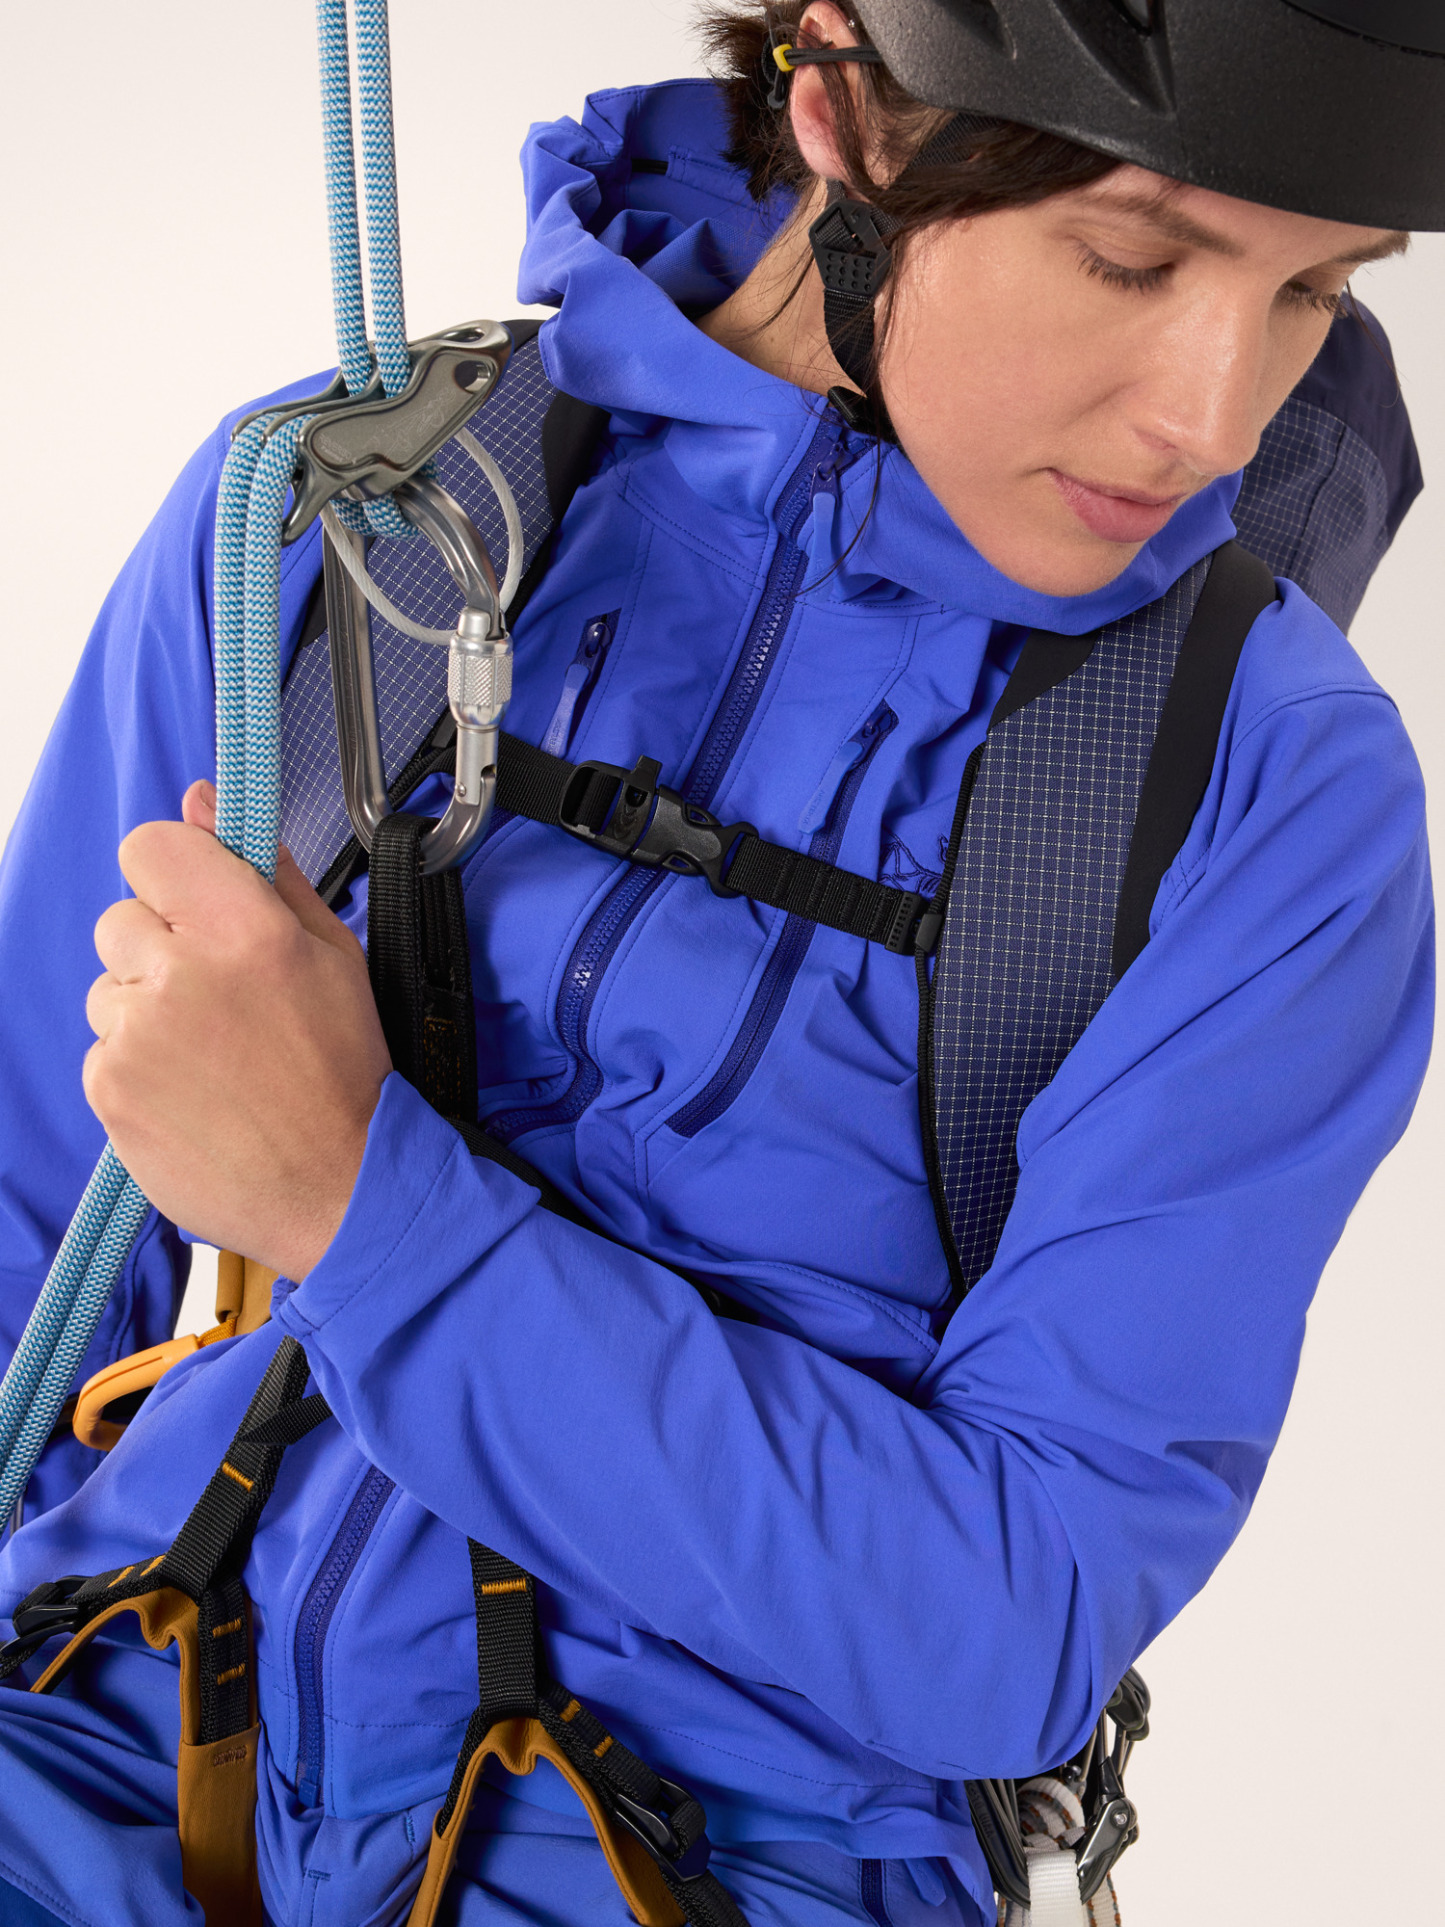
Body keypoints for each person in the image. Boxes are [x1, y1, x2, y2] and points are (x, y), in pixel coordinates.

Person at [0, 2, 1435, 1923]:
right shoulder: (366, 512)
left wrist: (358, 1204)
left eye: (1312, 292)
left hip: (715, 1860)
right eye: (1127, 259)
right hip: (97, 1711)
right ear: (843, 109)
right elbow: (28, 1207)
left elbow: (1013, 1620)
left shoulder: (1262, 785)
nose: (1213, 419)